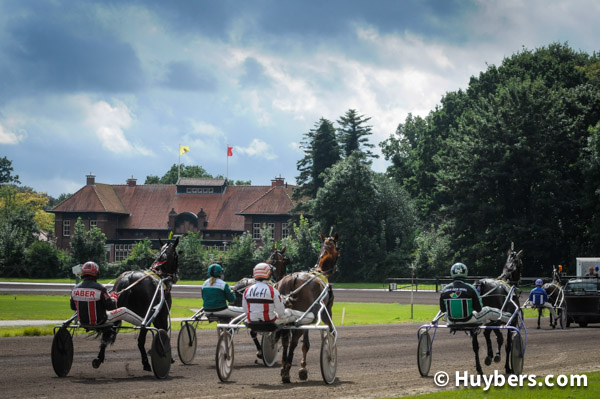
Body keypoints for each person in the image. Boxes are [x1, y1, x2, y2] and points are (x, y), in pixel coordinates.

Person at [70, 261, 143, 326]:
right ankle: (143, 323)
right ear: (96, 273)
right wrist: (114, 298)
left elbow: (73, 307)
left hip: (82, 322)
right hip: (100, 321)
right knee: (124, 311)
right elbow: (111, 307)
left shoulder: (75, 289)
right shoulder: (100, 288)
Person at [440, 263, 510, 325]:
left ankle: (487, 321)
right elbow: (478, 309)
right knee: (488, 310)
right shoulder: (470, 288)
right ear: (465, 272)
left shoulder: (444, 289)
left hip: (450, 321)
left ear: (452, 273)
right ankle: (510, 317)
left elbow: (443, 310)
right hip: (468, 319)